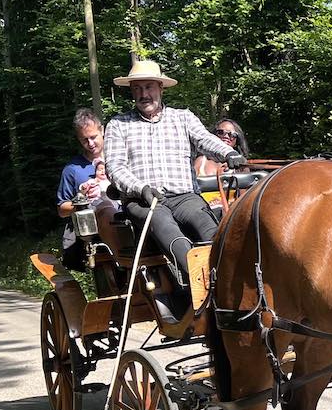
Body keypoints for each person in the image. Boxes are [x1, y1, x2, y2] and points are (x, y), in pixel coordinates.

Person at [103, 59, 246, 298]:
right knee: (167, 229)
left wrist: (228, 153)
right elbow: (115, 168)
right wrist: (141, 188)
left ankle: (231, 282)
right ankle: (203, 288)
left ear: (161, 87)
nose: (143, 94)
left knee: (209, 228)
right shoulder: (119, 124)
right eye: (137, 88)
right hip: (144, 201)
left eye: (148, 87)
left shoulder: (183, 118)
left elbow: (205, 140)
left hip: (185, 197)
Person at [57, 108, 109, 270]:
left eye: (93, 137)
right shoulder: (72, 169)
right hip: (92, 234)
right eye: (84, 140)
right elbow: (62, 209)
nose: (90, 144)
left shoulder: (119, 159)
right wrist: (80, 201)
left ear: (102, 130)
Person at [194, 117, 251, 208]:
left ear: (236, 141)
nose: (226, 136)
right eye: (221, 132)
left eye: (232, 135)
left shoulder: (241, 164)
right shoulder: (201, 161)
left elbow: (243, 199)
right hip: (203, 211)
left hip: (230, 213)